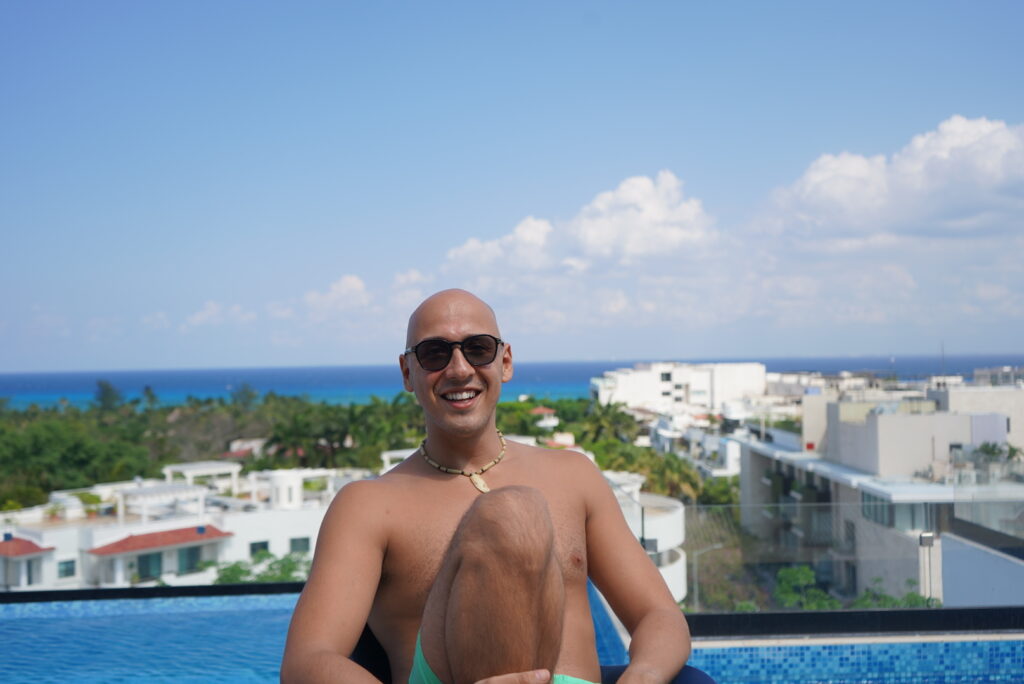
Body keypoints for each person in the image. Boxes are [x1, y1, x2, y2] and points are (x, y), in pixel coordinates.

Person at [281, 289, 693, 684]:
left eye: (478, 348)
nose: (459, 369)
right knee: (513, 515)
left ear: (506, 361)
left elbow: (658, 615)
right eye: (434, 353)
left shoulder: (574, 475)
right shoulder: (369, 506)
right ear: (409, 372)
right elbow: (309, 660)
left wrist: (642, 677)